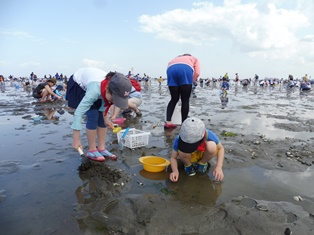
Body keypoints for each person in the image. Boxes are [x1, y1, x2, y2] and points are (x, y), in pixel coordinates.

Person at [66, 68, 132, 162]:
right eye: (113, 99)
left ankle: (101, 148)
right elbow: (78, 113)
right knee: (93, 115)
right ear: (107, 89)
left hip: (99, 88)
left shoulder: (111, 88)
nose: (112, 102)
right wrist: (76, 139)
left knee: (101, 118)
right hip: (78, 84)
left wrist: (106, 119)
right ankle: (92, 150)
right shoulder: (94, 91)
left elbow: (105, 104)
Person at [169, 117, 224, 182]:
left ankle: (202, 163)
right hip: (188, 156)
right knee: (182, 152)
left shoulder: (208, 134)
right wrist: (175, 171)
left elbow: (221, 148)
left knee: (212, 146)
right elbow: (173, 157)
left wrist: (219, 166)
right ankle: (188, 165)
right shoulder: (178, 139)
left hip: (202, 154)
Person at [165, 53, 200, 129]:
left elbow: (168, 66)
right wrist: (191, 81)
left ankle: (168, 122)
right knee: (185, 100)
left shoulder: (175, 58)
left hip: (170, 69)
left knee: (174, 99)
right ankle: (183, 124)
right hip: (185, 69)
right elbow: (197, 73)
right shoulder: (194, 58)